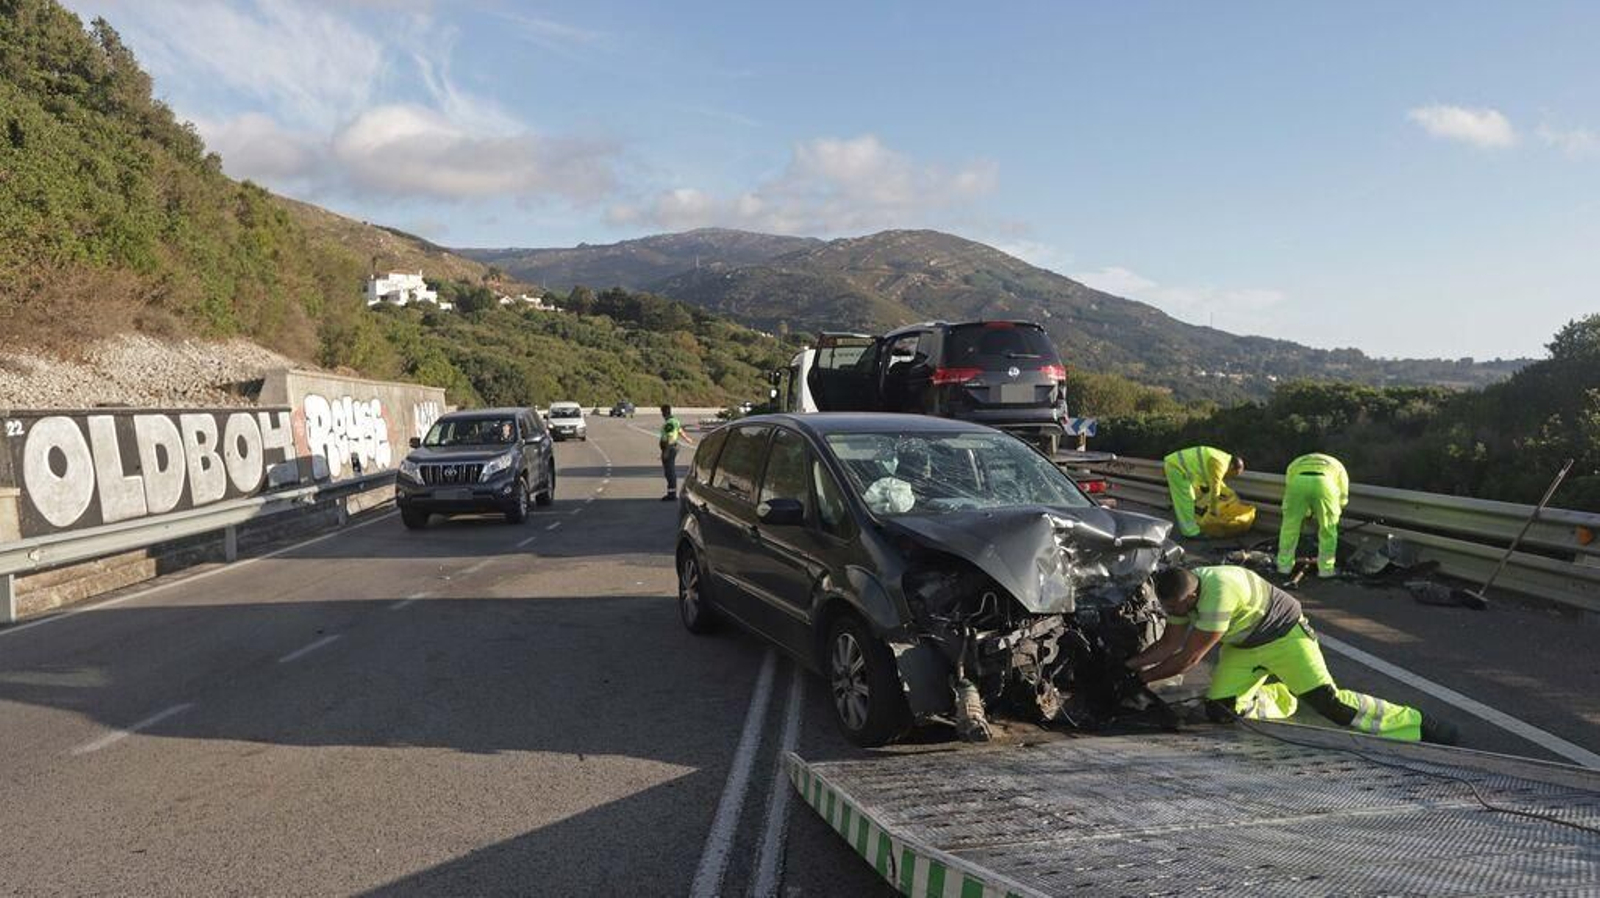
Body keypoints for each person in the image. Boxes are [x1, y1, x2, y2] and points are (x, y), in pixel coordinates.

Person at [1126, 565, 1456, 744]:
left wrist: (1139, 679)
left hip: (1285, 637)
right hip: (1244, 645)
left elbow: (1189, 658)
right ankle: (1283, 697)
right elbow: (1168, 645)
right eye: (1167, 607)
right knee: (1222, 711)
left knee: (1334, 705)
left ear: (1192, 595)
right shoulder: (1180, 594)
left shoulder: (1219, 594)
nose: (1171, 612)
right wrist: (1127, 666)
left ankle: (1416, 723)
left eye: (1175, 607)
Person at [1278, 453, 1350, 578]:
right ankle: (1326, 570)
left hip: (1298, 483)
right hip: (1325, 483)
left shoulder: (1296, 462)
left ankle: (1284, 567)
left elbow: (1289, 483)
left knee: (1289, 528)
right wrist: (1338, 507)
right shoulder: (1337, 465)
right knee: (1328, 530)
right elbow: (1343, 491)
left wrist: (1307, 513)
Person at [1162, 446, 1244, 538]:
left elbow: (1218, 482)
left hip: (1178, 467)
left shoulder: (1224, 459)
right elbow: (1215, 489)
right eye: (1234, 474)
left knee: (1191, 499)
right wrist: (1213, 511)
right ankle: (1190, 533)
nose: (1231, 477)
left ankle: (1191, 525)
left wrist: (1230, 493)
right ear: (1232, 467)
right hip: (1176, 468)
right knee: (1186, 500)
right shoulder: (1219, 464)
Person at [659, 404, 695, 501]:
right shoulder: (675, 421)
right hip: (672, 447)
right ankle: (671, 492)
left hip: (670, 447)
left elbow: (670, 438)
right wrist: (687, 439)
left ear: (663, 412)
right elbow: (680, 431)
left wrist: (666, 451)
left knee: (669, 471)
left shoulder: (669, 423)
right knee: (670, 470)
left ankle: (672, 494)